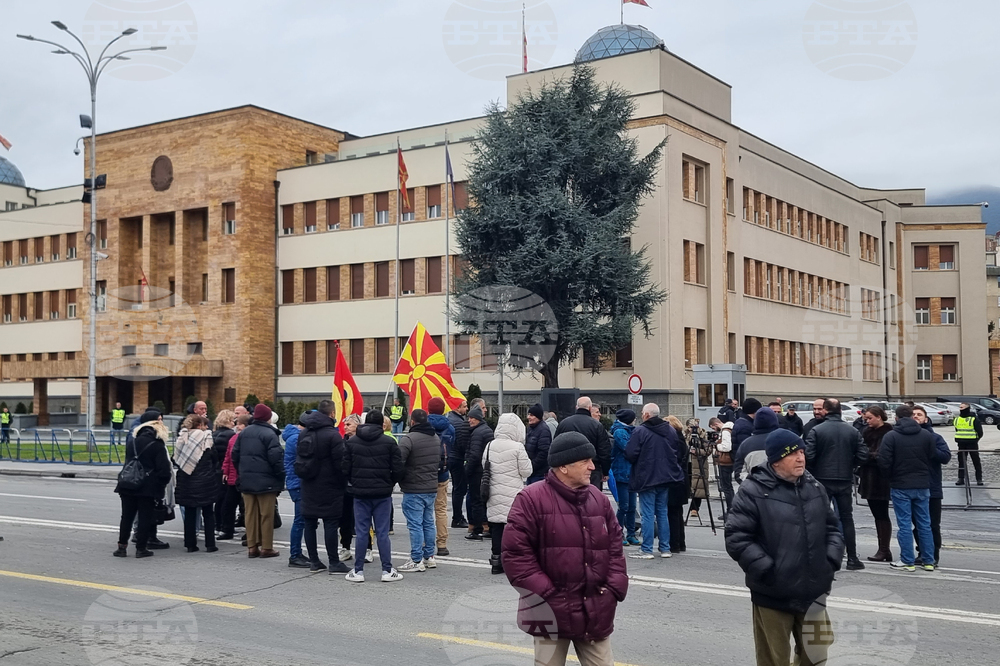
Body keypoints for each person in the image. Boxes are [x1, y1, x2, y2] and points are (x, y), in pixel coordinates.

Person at [502, 431, 628, 666]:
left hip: (595, 610)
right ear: (563, 467)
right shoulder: (530, 499)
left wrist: (613, 588)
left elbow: (615, 548)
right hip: (550, 612)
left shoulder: (598, 499)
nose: (592, 467)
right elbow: (516, 558)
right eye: (585, 461)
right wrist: (548, 595)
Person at [725, 429, 843, 666]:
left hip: (813, 590)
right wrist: (768, 569)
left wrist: (830, 560)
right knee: (773, 659)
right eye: (793, 454)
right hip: (773, 593)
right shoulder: (753, 490)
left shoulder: (814, 486)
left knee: (817, 654)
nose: (800, 458)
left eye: (802, 452)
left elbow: (833, 528)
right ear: (776, 460)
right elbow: (737, 537)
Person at [804, 398, 868, 571]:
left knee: (819, 517)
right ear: (840, 410)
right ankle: (852, 558)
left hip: (822, 478)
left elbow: (809, 456)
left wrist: (816, 468)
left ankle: (820, 557)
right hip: (844, 479)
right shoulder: (852, 431)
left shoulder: (817, 430)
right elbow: (863, 455)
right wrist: (851, 465)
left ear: (825, 410)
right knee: (847, 518)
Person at [343, 409, 404, 582]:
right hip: (382, 493)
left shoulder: (352, 442)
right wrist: (390, 483)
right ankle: (387, 570)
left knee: (362, 532)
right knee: (382, 533)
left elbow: (345, 468)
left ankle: (358, 571)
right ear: (381, 424)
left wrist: (354, 482)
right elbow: (398, 469)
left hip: (360, 493)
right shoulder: (389, 442)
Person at [878, 405, 938, 572]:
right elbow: (932, 456)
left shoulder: (891, 436)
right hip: (922, 483)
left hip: (900, 484)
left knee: (904, 524)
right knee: (924, 524)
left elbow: (884, 461)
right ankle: (928, 560)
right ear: (912, 416)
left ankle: (907, 560)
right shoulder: (925, 435)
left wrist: (890, 477)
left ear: (896, 418)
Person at [624, 403, 685, 559]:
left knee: (648, 514)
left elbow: (630, 453)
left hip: (647, 476)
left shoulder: (640, 431)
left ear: (646, 415)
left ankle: (647, 549)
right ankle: (665, 548)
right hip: (666, 476)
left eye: (642, 413)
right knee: (662, 512)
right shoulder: (670, 430)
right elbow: (676, 451)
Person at [297, 402, 351, 575]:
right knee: (331, 524)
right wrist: (343, 483)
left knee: (309, 523)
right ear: (332, 413)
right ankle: (334, 562)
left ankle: (314, 561)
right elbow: (340, 463)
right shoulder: (332, 435)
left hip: (308, 483)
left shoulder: (304, 433)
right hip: (330, 485)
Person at [113, 410, 172, 558]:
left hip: (127, 484)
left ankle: (121, 547)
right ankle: (141, 548)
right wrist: (160, 486)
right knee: (145, 518)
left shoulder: (132, 442)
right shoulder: (157, 445)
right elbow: (164, 471)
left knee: (126, 517)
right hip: (147, 487)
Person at [231, 403, 285, 559]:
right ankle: (266, 547)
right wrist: (280, 476)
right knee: (266, 514)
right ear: (268, 418)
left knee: (250, 514)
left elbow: (235, 455)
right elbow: (276, 459)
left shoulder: (244, 432)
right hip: (266, 480)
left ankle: (252, 546)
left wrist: (242, 471)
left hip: (247, 478)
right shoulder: (270, 434)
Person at [485, 413, 532, 574]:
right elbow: (527, 471)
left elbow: (484, 464)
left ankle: (496, 560)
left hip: (493, 491)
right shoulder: (517, 447)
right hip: (513, 492)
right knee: (514, 527)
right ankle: (512, 560)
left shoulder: (490, 445)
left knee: (496, 527)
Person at [397, 409, 442, 573]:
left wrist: (399, 479)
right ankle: (429, 556)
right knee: (428, 522)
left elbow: (398, 462)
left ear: (412, 421)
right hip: (431, 486)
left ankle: (416, 559)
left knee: (415, 524)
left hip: (413, 487)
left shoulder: (408, 439)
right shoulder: (435, 438)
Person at [911, 405, 951, 566]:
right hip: (912, 486)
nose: (916, 416)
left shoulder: (935, 438)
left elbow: (945, 457)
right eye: (913, 414)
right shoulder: (905, 437)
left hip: (931, 487)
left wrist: (930, 448)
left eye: (919, 414)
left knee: (932, 524)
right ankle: (922, 552)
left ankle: (933, 555)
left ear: (926, 419)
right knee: (916, 524)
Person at [173, 414, 218, 553]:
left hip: (186, 479)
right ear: (199, 425)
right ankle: (210, 544)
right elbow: (214, 458)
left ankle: (190, 544)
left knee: (190, 513)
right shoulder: (206, 438)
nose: (206, 427)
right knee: (208, 513)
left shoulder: (182, 438)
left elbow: (176, 459)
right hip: (206, 480)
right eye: (204, 425)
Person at [858, 406, 894, 562]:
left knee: (881, 514)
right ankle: (883, 549)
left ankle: (884, 549)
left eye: (870, 418)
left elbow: (880, 455)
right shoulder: (866, 432)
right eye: (866, 418)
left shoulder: (887, 432)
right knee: (877, 514)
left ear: (879, 417)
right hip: (868, 478)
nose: (867, 421)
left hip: (881, 479)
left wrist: (864, 456)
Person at [555, 396, 612, 488]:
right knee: (591, 495)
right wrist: (605, 471)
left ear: (576, 407)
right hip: (592, 468)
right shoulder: (597, 425)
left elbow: (556, 446)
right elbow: (604, 451)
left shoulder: (564, 423)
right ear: (590, 408)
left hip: (568, 467)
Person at [427, 397, 455, 557]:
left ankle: (426, 544)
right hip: (443, 473)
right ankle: (442, 544)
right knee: (441, 509)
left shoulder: (423, 426)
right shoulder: (450, 428)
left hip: (425, 474)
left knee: (425, 511)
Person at [281, 416, 308, 568]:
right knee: (299, 520)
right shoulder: (297, 439)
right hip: (298, 483)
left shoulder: (293, 436)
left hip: (295, 482)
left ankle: (297, 553)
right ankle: (295, 554)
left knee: (301, 520)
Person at [464, 404, 494, 540]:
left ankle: (477, 530)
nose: (469, 420)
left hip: (477, 472)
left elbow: (475, 455)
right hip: (486, 470)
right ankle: (490, 528)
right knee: (486, 500)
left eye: (472, 418)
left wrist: (467, 470)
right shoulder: (486, 429)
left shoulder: (477, 433)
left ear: (477, 418)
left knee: (476, 501)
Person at [219, 413, 250, 540]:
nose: (237, 426)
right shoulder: (233, 438)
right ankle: (227, 530)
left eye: (239, 424)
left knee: (246, 507)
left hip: (244, 476)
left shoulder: (248, 438)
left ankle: (249, 532)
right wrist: (225, 472)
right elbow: (228, 457)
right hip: (234, 477)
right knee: (228, 505)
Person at [610, 409, 638, 545]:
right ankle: (619, 533)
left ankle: (631, 534)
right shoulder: (620, 432)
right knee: (624, 506)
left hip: (631, 473)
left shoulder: (631, 430)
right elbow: (629, 449)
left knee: (632, 506)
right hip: (622, 472)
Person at [734, 407, 780, 485]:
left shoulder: (745, 444)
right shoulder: (785, 440)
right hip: (781, 488)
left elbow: (739, 473)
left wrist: (752, 485)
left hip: (754, 488)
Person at [338, 413, 362, 562]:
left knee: (363, 520)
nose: (345, 427)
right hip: (345, 487)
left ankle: (367, 548)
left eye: (349, 424)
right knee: (344, 520)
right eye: (345, 425)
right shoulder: (342, 443)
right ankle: (345, 547)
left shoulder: (363, 442)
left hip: (360, 486)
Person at [446, 399, 471, 529]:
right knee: (460, 489)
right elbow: (462, 443)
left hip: (451, 457)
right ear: (457, 408)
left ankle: (457, 517)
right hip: (457, 458)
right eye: (465, 406)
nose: (466, 409)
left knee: (457, 488)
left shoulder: (450, 419)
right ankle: (457, 518)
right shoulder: (459, 423)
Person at [211, 410, 236, 534]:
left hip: (215, 469)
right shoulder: (231, 435)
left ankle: (217, 524)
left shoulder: (214, 434)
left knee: (218, 499)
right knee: (226, 500)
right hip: (225, 469)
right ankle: (223, 525)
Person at [684, 418, 712, 518]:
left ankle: (694, 509)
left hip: (698, 464)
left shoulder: (703, 434)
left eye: (694, 427)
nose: (692, 429)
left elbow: (708, 451)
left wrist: (697, 451)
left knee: (698, 487)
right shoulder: (684, 435)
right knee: (687, 485)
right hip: (686, 463)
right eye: (690, 427)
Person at [954, 403, 984, 486]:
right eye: (960, 407)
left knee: (976, 461)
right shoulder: (957, 419)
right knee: (961, 461)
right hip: (961, 444)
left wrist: (975, 440)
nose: (960, 409)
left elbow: (980, 432)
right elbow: (957, 430)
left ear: (967, 408)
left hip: (972, 443)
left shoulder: (973, 419)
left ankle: (979, 479)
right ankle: (961, 478)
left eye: (962, 407)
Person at [525, 403, 552, 484]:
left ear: (538, 416)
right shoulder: (531, 428)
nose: (528, 417)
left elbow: (544, 452)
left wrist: (532, 466)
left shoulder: (543, 430)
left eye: (531, 415)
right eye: (528, 414)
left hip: (539, 473)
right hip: (531, 472)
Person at [714, 418, 735, 516]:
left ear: (716, 424)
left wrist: (717, 446)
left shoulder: (725, 431)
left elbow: (727, 447)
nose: (714, 430)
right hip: (729, 461)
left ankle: (730, 510)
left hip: (725, 462)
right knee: (728, 486)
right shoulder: (730, 428)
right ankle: (731, 509)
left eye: (713, 428)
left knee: (726, 487)